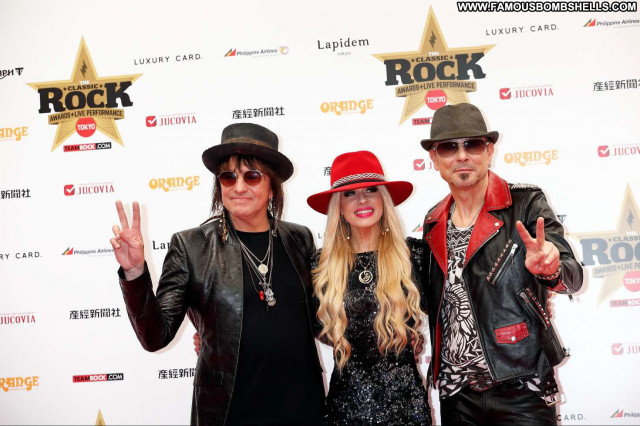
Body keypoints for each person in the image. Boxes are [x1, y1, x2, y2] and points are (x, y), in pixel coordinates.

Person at [110, 123, 326, 425]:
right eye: (229, 177)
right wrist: (134, 272)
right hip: (230, 411)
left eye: (252, 176)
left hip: (301, 407)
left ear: (272, 186)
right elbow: (156, 337)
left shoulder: (299, 239)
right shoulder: (192, 246)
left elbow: (323, 320)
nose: (239, 187)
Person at [419, 103, 583, 425]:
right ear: (434, 159)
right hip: (456, 394)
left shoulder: (525, 203)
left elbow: (572, 275)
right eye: (449, 147)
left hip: (522, 386)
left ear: (489, 151)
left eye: (472, 144)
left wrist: (551, 269)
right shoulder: (433, 221)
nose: (462, 156)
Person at [306, 150, 432, 426]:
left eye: (371, 190)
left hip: (407, 409)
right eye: (349, 194)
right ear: (338, 207)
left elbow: (452, 309)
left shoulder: (414, 255)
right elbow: (308, 326)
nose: (362, 200)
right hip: (345, 409)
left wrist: (413, 337)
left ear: (383, 199)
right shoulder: (320, 265)